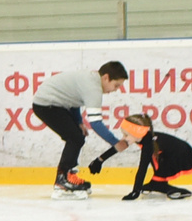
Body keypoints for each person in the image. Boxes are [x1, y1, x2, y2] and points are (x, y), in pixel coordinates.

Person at [30, 61, 130, 194]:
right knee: (75, 137)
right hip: (46, 104)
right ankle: (62, 179)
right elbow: (96, 124)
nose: (116, 90)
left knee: (77, 135)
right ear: (106, 77)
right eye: (116, 85)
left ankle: (67, 175)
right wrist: (115, 143)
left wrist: (78, 121)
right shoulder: (93, 88)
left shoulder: (91, 79)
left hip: (54, 103)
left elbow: (74, 99)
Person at [88, 112, 192, 199]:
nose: (124, 138)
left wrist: (136, 191)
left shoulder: (149, 144)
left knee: (154, 159)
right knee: (155, 158)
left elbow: (142, 168)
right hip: (170, 154)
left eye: (126, 135)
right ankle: (156, 183)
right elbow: (119, 146)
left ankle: (165, 186)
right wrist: (99, 160)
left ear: (137, 133)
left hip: (182, 157)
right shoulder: (142, 137)